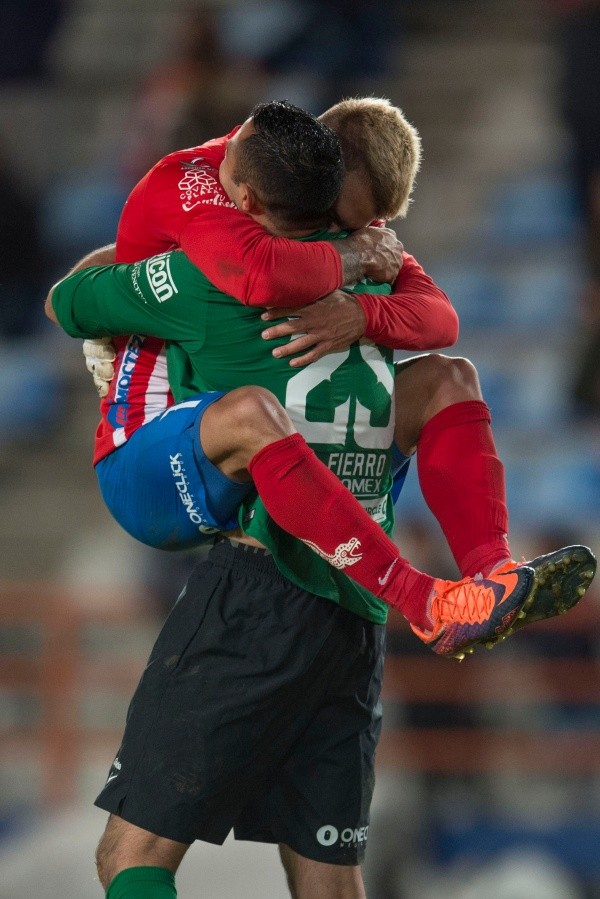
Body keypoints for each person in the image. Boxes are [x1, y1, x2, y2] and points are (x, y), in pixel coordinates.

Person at [48, 102, 595, 899]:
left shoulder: (217, 274)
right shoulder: (372, 261)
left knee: (133, 851)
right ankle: (478, 575)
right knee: (329, 877)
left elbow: (70, 302)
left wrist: (120, 294)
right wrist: (363, 288)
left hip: (265, 584)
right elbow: (441, 322)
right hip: (352, 600)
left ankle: (444, 592)